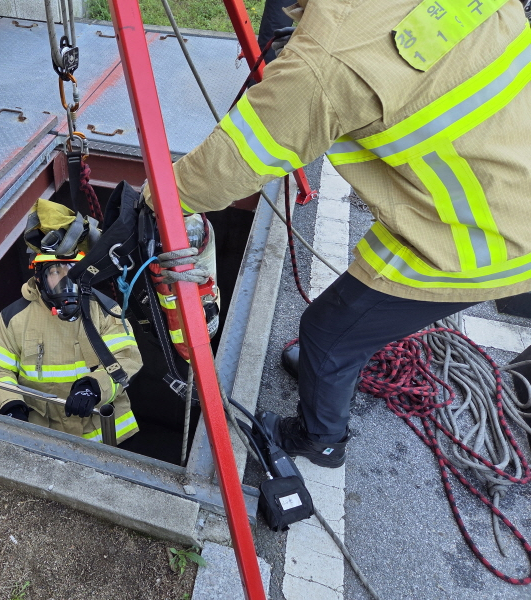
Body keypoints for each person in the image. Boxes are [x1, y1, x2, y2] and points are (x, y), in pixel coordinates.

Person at [144, 0, 531, 467]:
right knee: (346, 327)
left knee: (326, 334)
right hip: (508, 178)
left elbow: (232, 164)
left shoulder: (329, 62)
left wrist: (151, 203)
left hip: (482, 240)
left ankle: (320, 440)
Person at [0, 252, 142, 445]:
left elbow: (127, 359)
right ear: (39, 278)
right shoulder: (14, 318)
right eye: (55, 271)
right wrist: (11, 405)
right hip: (42, 434)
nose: (66, 279)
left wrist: (94, 388)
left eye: (72, 270)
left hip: (103, 434)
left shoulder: (105, 310)